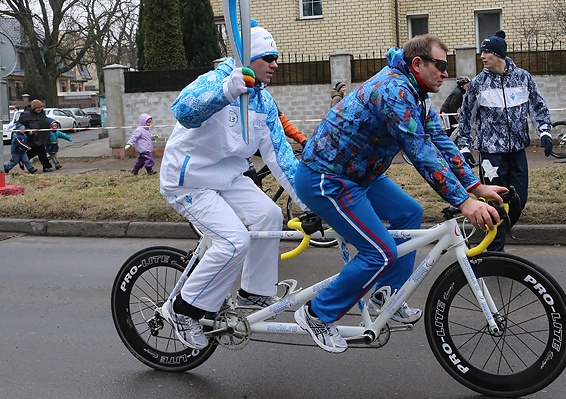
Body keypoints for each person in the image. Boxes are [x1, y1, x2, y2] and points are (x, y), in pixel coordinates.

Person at [293, 34, 505, 354]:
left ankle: (385, 296)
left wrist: (475, 187)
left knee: (410, 213)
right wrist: (462, 201)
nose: (446, 73)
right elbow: (420, 152)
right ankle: (317, 314)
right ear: (418, 64)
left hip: (362, 175)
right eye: (441, 65)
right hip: (327, 178)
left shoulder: (417, 93)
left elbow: (439, 141)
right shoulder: (394, 91)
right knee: (379, 252)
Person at [158, 20, 308, 350]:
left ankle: (254, 294)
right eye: (269, 57)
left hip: (228, 177)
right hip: (189, 181)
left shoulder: (264, 102)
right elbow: (184, 111)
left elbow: (281, 157)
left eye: (276, 57)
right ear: (249, 57)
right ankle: (183, 310)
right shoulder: (215, 81)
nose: (275, 64)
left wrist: (309, 203)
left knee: (269, 215)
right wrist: (226, 91)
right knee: (233, 241)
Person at [457, 30, 553, 252]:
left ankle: (499, 232)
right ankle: (495, 249)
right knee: (495, 201)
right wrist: (464, 145)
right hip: (491, 154)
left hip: (517, 149)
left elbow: (538, 106)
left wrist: (545, 132)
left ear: (499, 55)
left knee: (519, 199)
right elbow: (466, 117)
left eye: (487, 52)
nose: (482, 56)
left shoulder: (523, 78)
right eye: (481, 52)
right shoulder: (478, 84)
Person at [17, 99, 54, 172]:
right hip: (33, 137)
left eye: (41, 107)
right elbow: (19, 124)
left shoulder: (42, 113)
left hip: (42, 136)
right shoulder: (26, 114)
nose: (40, 109)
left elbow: (45, 121)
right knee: (41, 151)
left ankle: (22, 159)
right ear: (33, 108)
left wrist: (50, 126)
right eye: (38, 108)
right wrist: (27, 130)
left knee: (35, 151)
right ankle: (46, 166)